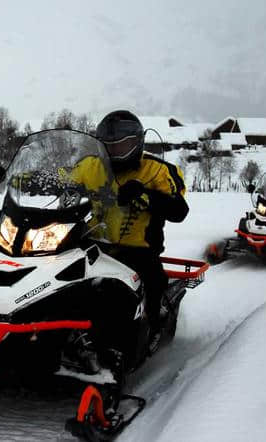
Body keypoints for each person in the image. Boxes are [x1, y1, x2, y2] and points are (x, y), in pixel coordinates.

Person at [92, 110, 189, 348]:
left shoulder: (157, 170)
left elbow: (179, 210)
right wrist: (30, 180)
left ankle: (153, 326)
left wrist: (146, 195)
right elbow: (66, 179)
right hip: (92, 242)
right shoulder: (91, 166)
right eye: (109, 146)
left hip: (138, 249)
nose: (115, 152)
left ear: (138, 143)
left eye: (122, 145)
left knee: (152, 279)